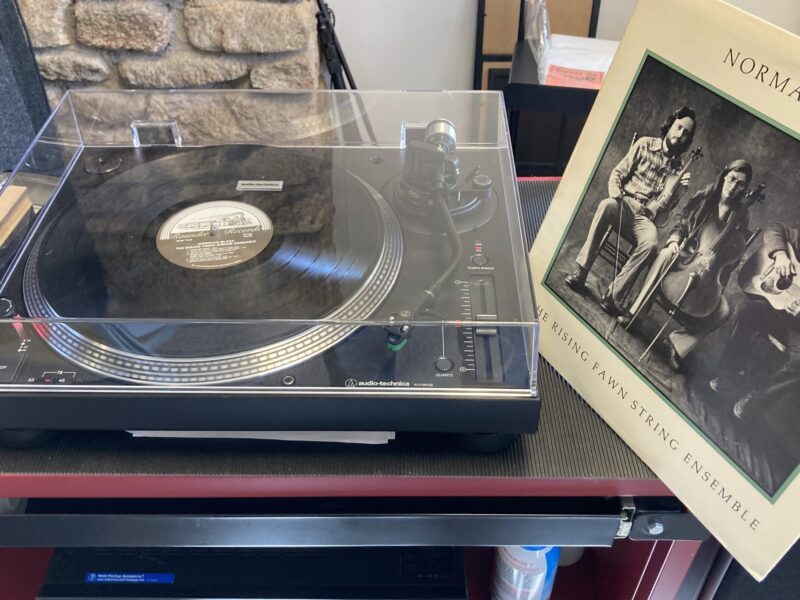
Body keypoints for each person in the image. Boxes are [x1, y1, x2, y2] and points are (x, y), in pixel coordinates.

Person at [616, 160, 753, 370]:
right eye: (732, 179)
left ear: (745, 189)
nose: (734, 186)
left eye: (740, 184)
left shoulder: (742, 217)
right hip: (684, 259)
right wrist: (674, 242)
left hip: (708, 276)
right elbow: (681, 224)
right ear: (725, 175)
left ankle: (677, 344)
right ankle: (637, 314)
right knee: (663, 255)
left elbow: (731, 259)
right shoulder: (705, 198)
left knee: (724, 310)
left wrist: (716, 281)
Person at [564, 106, 696, 315]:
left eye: (686, 133)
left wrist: (679, 191)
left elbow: (663, 216)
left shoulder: (679, 170)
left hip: (644, 218)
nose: (680, 135)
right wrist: (616, 195)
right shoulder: (644, 145)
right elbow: (617, 173)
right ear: (670, 124)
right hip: (623, 203)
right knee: (606, 205)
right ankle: (582, 271)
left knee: (651, 244)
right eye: (679, 127)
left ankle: (613, 294)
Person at [708, 222, 800, 419]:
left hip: (797, 332)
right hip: (776, 311)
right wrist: (781, 255)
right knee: (744, 311)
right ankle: (730, 372)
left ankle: (755, 399)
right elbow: (775, 228)